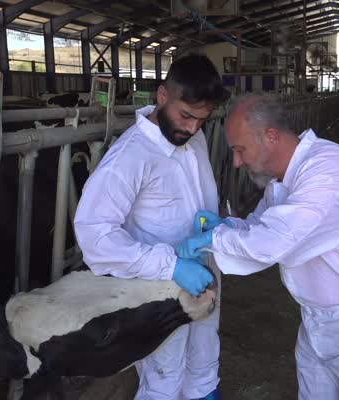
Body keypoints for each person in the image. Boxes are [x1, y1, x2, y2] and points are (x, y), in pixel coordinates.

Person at [179, 94, 339, 399]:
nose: (237, 162)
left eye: (240, 150)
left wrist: (213, 239)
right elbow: (260, 228)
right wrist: (224, 227)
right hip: (318, 318)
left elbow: (275, 239)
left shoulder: (326, 173)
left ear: (271, 136)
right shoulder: (284, 181)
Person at [73, 54, 228, 400]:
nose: (191, 128)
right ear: (162, 96)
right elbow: (94, 234)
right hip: (158, 293)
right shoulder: (130, 156)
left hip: (204, 280)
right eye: (186, 116)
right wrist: (171, 265)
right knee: (164, 378)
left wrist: (212, 223)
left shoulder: (193, 139)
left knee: (204, 365)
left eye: (202, 120)